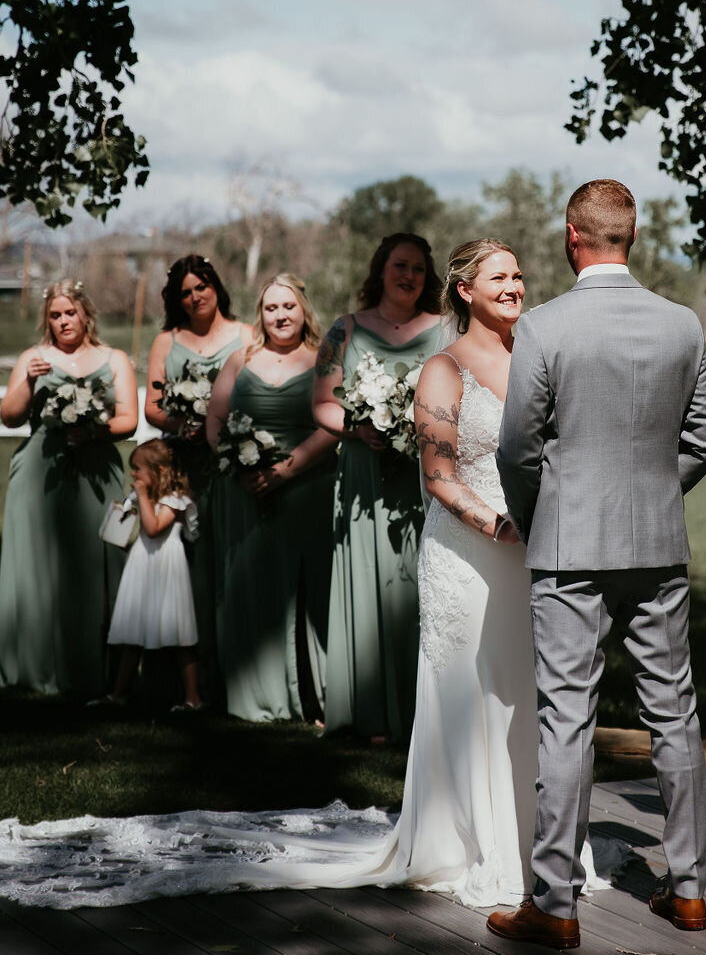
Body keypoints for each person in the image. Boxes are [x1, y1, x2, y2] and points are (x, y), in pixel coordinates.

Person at [0, 241, 625, 909]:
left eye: (521, 275)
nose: (517, 285)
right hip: (472, 549)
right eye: (502, 276)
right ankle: (470, 841)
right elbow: (440, 476)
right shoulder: (442, 370)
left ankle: (543, 844)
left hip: (530, 551)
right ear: (466, 289)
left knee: (525, 694)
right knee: (469, 692)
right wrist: (497, 525)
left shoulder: (534, 358)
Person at [488, 179, 706, 952]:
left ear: (570, 235)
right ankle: (689, 892)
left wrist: (539, 515)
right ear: (632, 236)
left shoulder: (545, 326)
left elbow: (518, 447)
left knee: (567, 717)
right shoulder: (682, 324)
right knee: (674, 713)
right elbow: (704, 439)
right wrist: (656, 493)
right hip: (657, 545)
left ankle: (554, 905)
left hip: (569, 547)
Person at [313, 233, 444, 741]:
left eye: (417, 267)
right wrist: (355, 429)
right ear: (380, 269)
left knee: (419, 586)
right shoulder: (345, 330)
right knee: (367, 583)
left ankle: (421, 714)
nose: (408, 275)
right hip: (365, 476)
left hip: (423, 479)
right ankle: (365, 710)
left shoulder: (446, 330)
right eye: (399, 265)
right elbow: (324, 403)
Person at [206, 274, 336, 722]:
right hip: (243, 490)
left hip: (307, 485)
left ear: (304, 311)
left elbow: (332, 427)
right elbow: (216, 418)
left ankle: (313, 695)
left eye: (288, 307)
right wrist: (237, 466)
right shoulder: (240, 359)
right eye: (270, 308)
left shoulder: (323, 360)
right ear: (260, 315)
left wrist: (285, 470)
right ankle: (252, 691)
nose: (280, 315)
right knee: (250, 585)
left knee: (307, 587)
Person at [0, 280, 139, 696]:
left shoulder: (114, 358)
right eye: (55, 315)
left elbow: (128, 420)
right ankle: (33, 665)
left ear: (86, 315)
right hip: (41, 469)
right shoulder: (34, 357)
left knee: (98, 560)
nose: (63, 321)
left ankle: (94, 669)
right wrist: (26, 379)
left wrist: (93, 433)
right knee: (37, 563)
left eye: (70, 313)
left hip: (97, 470)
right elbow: (9, 416)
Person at [145, 254, 251, 699]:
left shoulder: (246, 334)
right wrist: (181, 424)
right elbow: (153, 406)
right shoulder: (166, 341)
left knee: (228, 559)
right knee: (183, 567)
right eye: (185, 292)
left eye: (201, 286)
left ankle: (234, 666)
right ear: (176, 298)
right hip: (182, 467)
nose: (195, 297)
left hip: (232, 463)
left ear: (215, 286)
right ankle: (185, 677)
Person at [94, 440, 201, 712]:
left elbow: (153, 529)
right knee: (133, 635)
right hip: (142, 566)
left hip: (167, 570)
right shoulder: (147, 497)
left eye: (138, 470)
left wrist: (142, 497)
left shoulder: (174, 501)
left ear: (159, 470)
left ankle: (193, 698)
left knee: (180, 637)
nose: (134, 476)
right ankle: (118, 693)